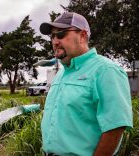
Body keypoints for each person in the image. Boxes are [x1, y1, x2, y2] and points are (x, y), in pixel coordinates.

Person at [39, 12, 133, 156]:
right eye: (52, 36)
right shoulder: (60, 74)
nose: (55, 41)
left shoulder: (106, 70)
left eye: (61, 34)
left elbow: (115, 127)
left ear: (82, 36)